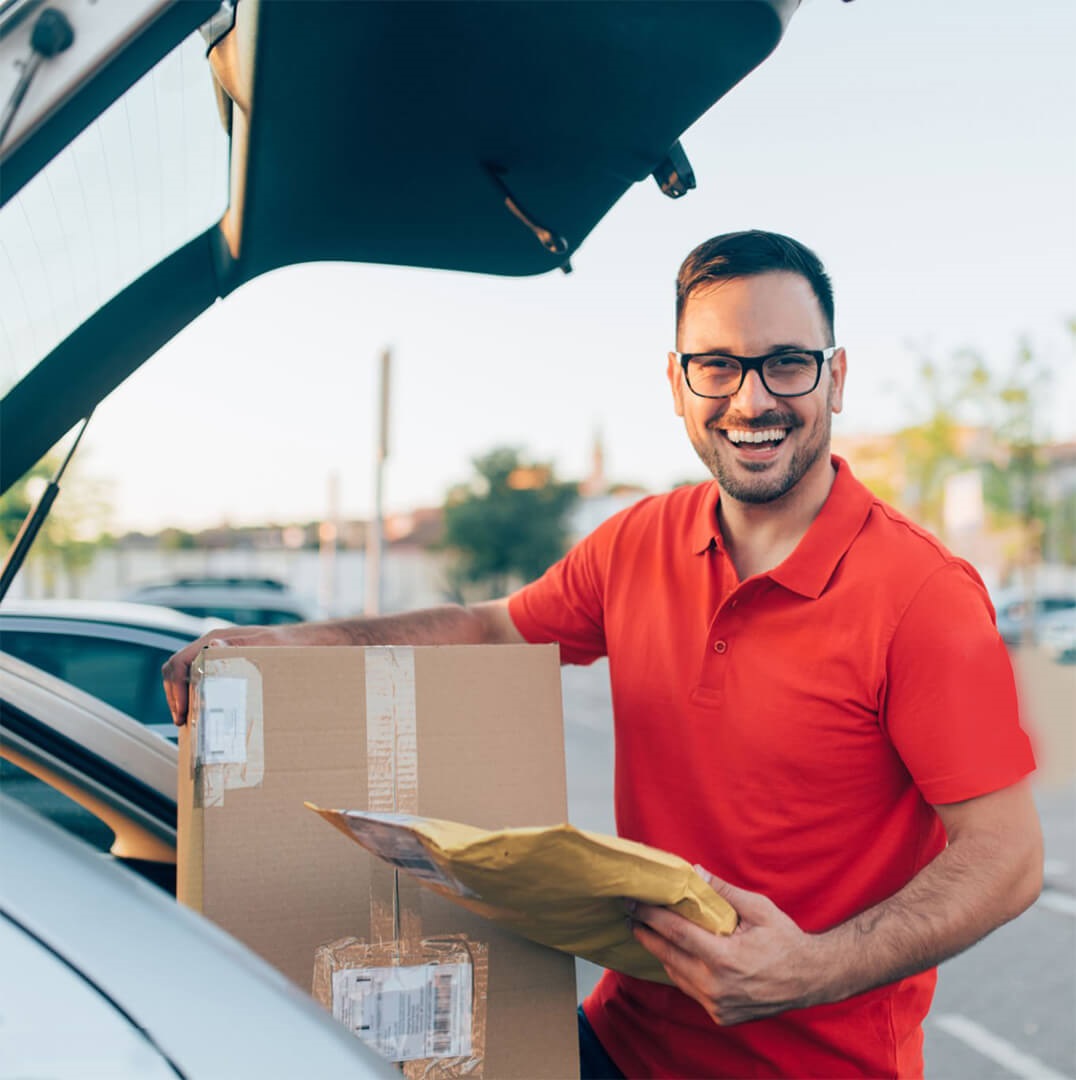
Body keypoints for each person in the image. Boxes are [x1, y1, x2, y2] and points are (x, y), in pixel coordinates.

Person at [164, 230, 1042, 1079]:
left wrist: (807, 969)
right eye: (717, 365)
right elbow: (490, 628)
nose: (751, 400)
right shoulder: (638, 544)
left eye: (787, 362)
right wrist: (282, 647)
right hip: (621, 1046)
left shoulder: (923, 595)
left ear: (835, 376)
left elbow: (1006, 857)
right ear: (676, 381)